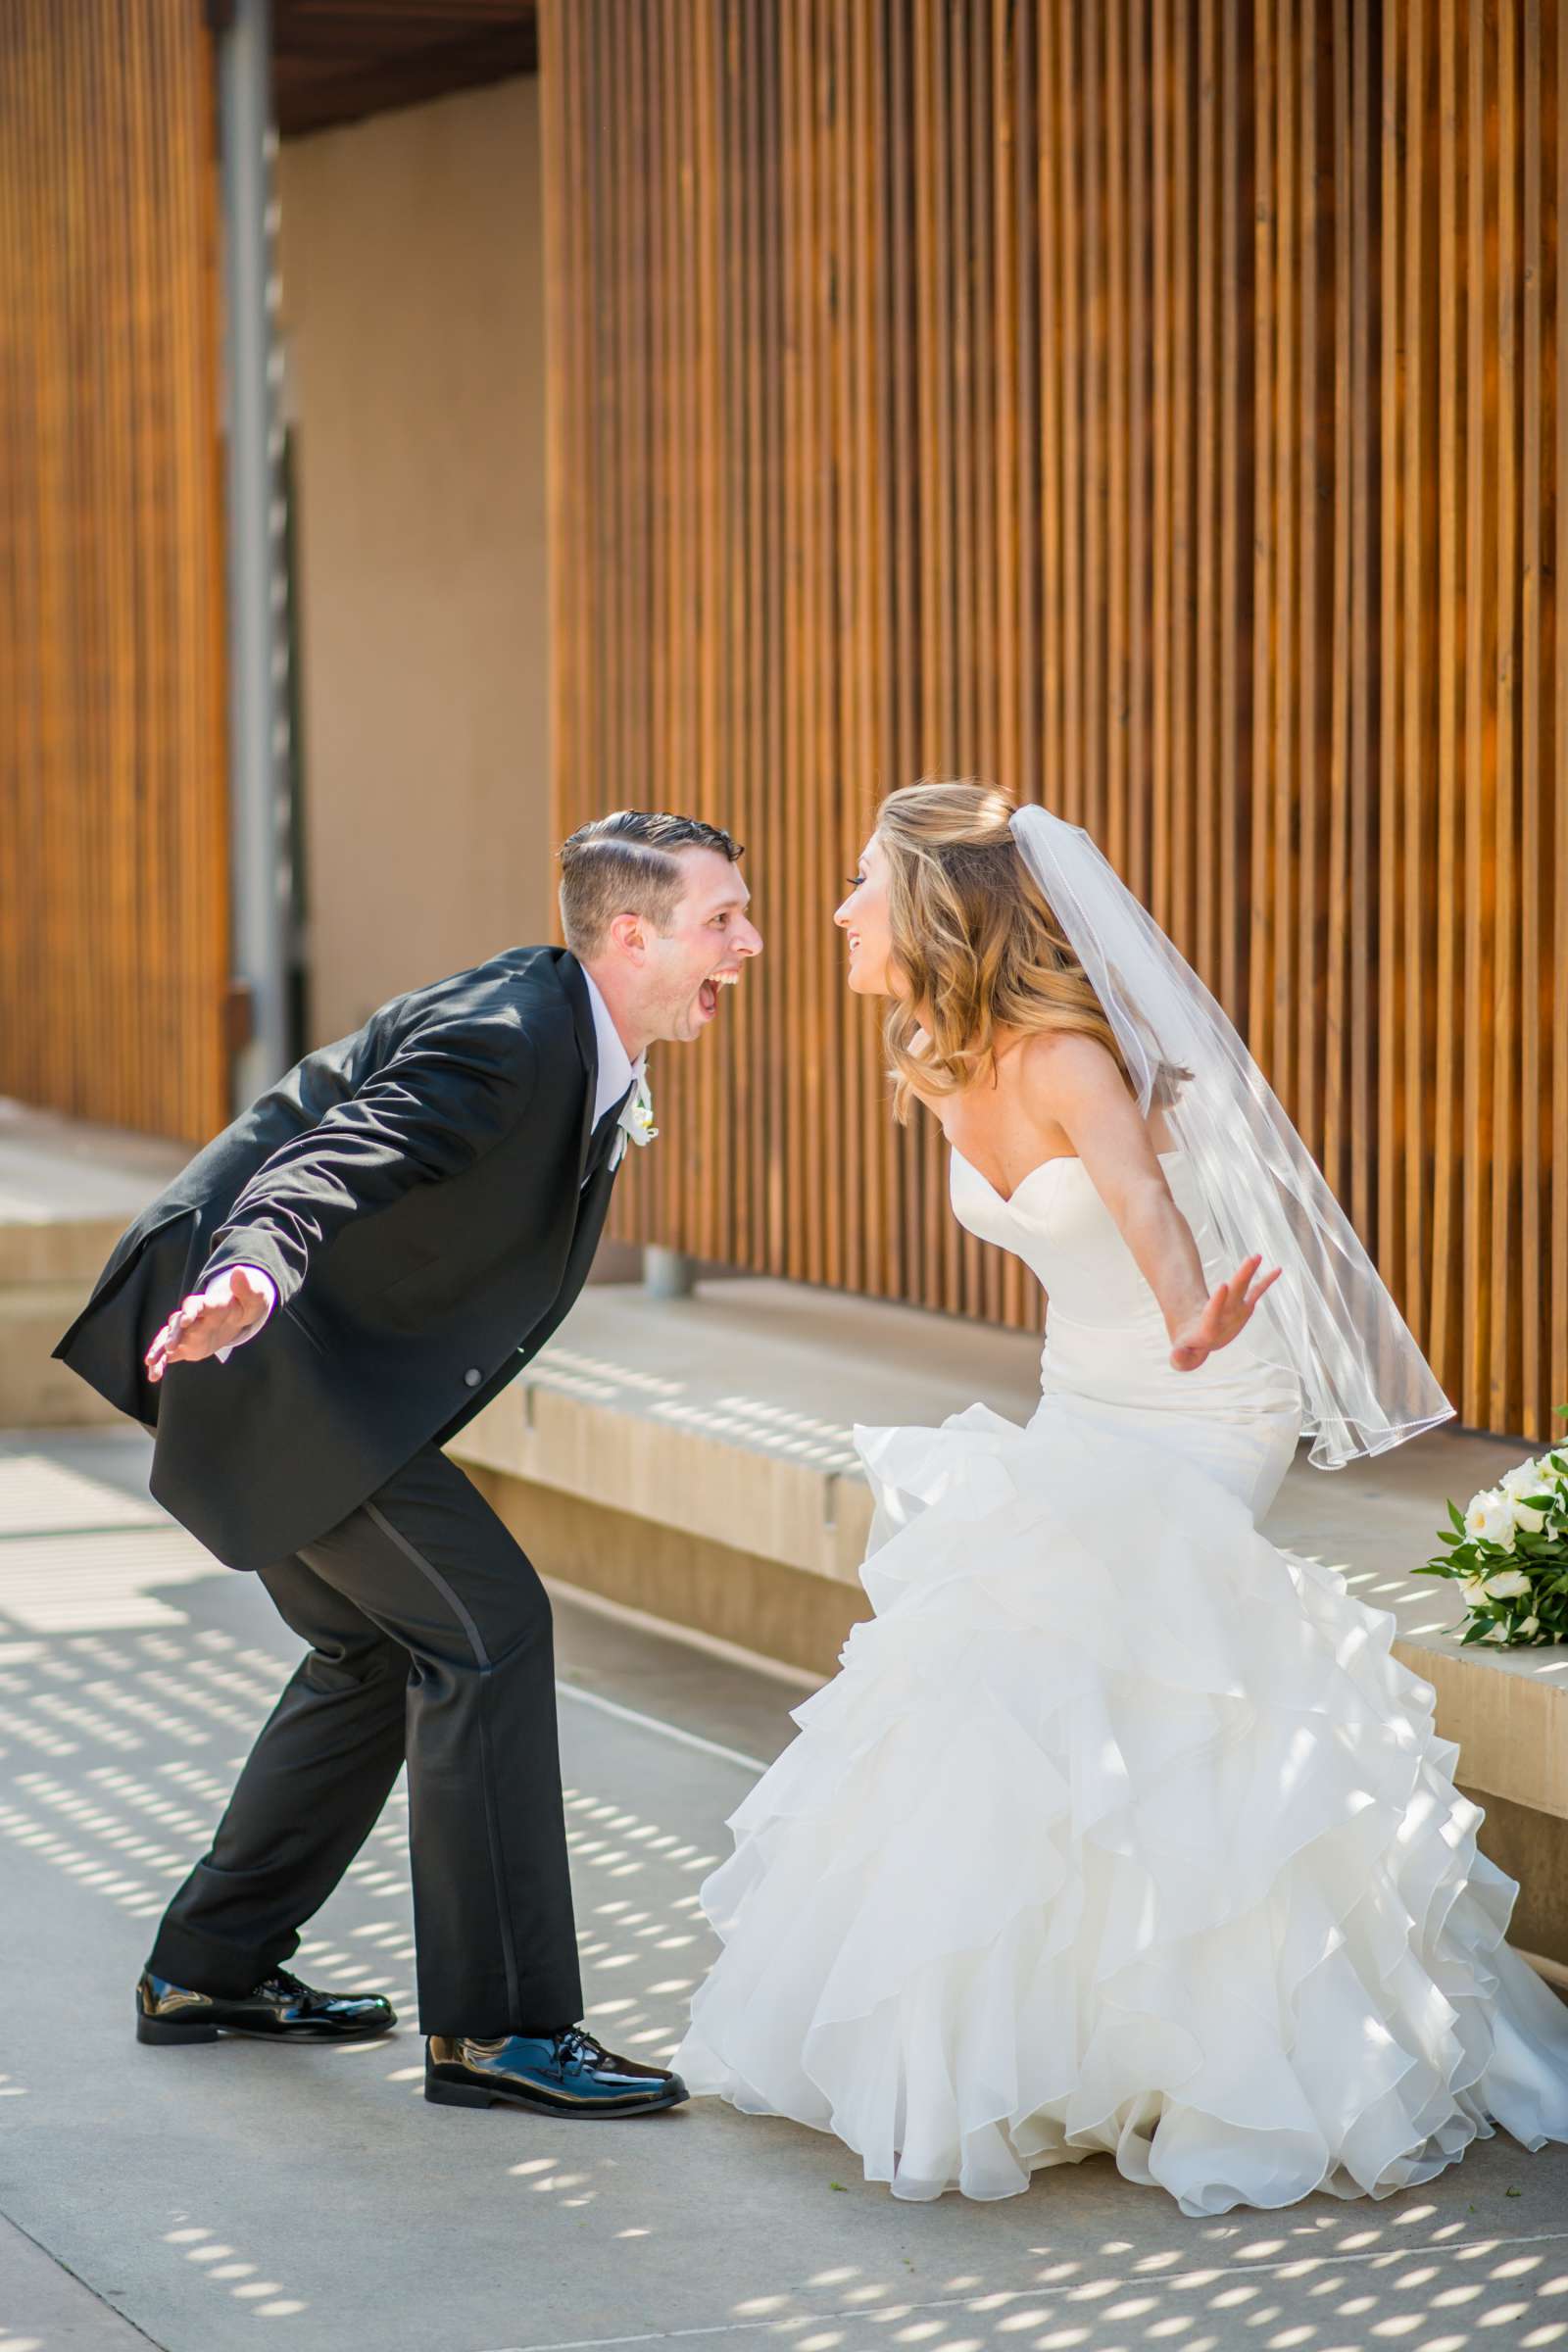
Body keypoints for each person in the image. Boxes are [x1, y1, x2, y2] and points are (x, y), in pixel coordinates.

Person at [674, 780, 1568, 2213]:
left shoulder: (1070, 1056)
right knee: (1023, 1665)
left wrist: (1191, 1317)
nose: (836, 913)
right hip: (1085, 1390)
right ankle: (1077, 2030)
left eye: (861, 886)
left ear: (936, 911)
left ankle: (1215, 2038)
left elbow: (1150, 1213)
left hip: (1207, 1389)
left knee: (1120, 1645)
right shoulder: (937, 1055)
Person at [55, 808, 762, 2119]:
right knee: (488, 1630)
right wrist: (255, 1272)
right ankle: (502, 2033)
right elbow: (336, 1160)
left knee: (377, 1650)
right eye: (724, 919)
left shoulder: (567, 1022)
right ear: (630, 934)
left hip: (292, 1356)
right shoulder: (510, 1039)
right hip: (260, 1345)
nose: (751, 942)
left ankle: (212, 1971)